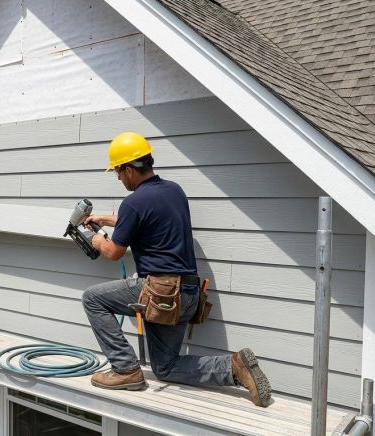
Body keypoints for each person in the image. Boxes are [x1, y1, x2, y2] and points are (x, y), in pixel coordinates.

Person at [81, 132, 272, 407]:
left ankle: (125, 369)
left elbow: (113, 253)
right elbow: (142, 218)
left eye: (118, 172)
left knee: (92, 298)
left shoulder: (133, 202)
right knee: (165, 368)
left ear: (128, 169)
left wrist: (99, 240)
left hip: (162, 294)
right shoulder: (173, 190)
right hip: (189, 295)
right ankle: (233, 366)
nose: (118, 178)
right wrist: (105, 218)